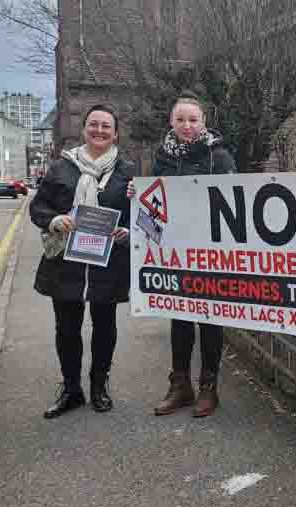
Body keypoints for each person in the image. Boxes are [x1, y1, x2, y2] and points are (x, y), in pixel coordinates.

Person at [30, 104, 133, 419]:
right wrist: (55, 220)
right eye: (94, 124)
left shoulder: (128, 171)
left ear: (115, 133)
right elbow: (38, 208)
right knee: (67, 329)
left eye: (106, 126)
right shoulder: (61, 168)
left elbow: (140, 216)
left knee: (105, 327)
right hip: (66, 264)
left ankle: (99, 386)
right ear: (84, 129)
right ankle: (72, 390)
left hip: (108, 264)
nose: (100, 130)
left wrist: (128, 229)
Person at [144, 93, 237, 418]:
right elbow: (153, 202)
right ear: (172, 122)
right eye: (181, 119)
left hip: (212, 255)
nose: (187, 125)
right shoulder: (163, 159)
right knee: (180, 316)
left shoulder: (220, 157)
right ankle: (180, 385)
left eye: (193, 119)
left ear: (203, 123)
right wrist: (136, 195)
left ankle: (208, 388)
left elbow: (236, 205)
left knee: (211, 320)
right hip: (176, 253)